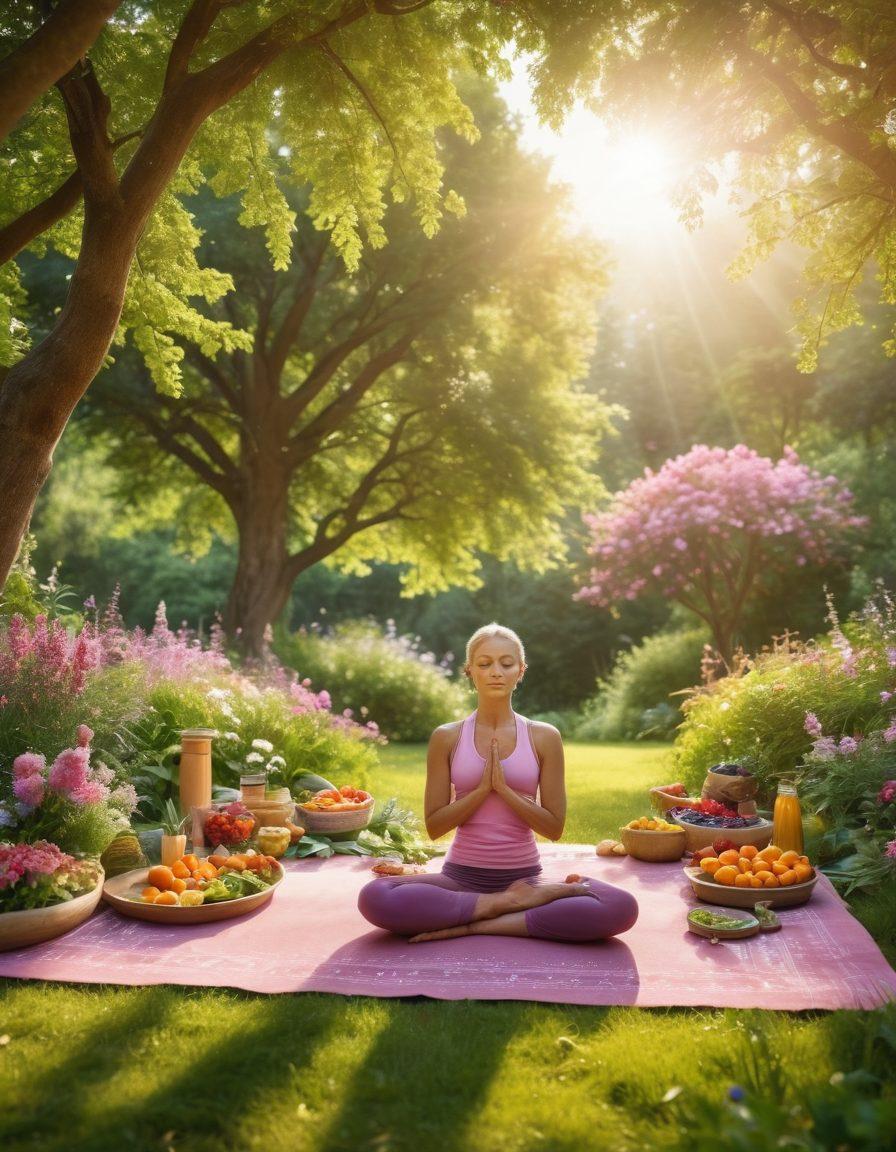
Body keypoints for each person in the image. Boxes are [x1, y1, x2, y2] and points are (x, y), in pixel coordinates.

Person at [357, 623, 638, 943]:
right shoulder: (447, 737)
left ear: (521, 671)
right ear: (469, 671)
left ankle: (478, 922)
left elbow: (554, 828)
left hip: (525, 882)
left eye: (506, 664)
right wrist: (481, 790)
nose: (495, 672)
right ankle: (506, 908)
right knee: (375, 896)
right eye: (485, 663)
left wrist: (504, 789)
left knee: (621, 907)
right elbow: (435, 826)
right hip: (460, 879)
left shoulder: (543, 737)